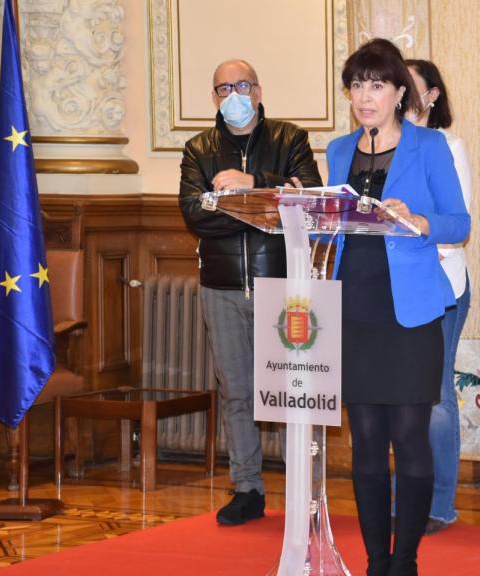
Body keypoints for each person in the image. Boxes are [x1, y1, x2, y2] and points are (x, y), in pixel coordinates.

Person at [327, 39, 469, 576]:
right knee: (364, 444)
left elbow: (459, 223)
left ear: (398, 92)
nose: (366, 96)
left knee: (409, 439)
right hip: (354, 310)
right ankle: (375, 560)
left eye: (377, 85)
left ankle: (405, 559)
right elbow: (338, 230)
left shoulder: (428, 146)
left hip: (409, 312)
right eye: (357, 85)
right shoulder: (340, 150)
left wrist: (418, 220)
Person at [179, 60, 322, 525]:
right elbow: (195, 213)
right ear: (215, 97)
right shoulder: (198, 148)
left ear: (258, 90)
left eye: (241, 85)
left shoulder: (289, 138)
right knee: (237, 393)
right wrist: (264, 207)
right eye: (224, 87)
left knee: (294, 394)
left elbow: (309, 199)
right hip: (220, 287)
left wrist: (249, 186)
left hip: (283, 287)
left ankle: (305, 490)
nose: (234, 94)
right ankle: (247, 489)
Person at [401, 58, 472, 535]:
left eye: (409, 87)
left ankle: (438, 505)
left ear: (432, 96)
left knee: (435, 399)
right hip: (390, 288)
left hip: (442, 284)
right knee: (397, 399)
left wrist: (407, 222)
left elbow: (454, 225)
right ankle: (401, 500)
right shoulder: (373, 148)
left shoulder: (449, 145)